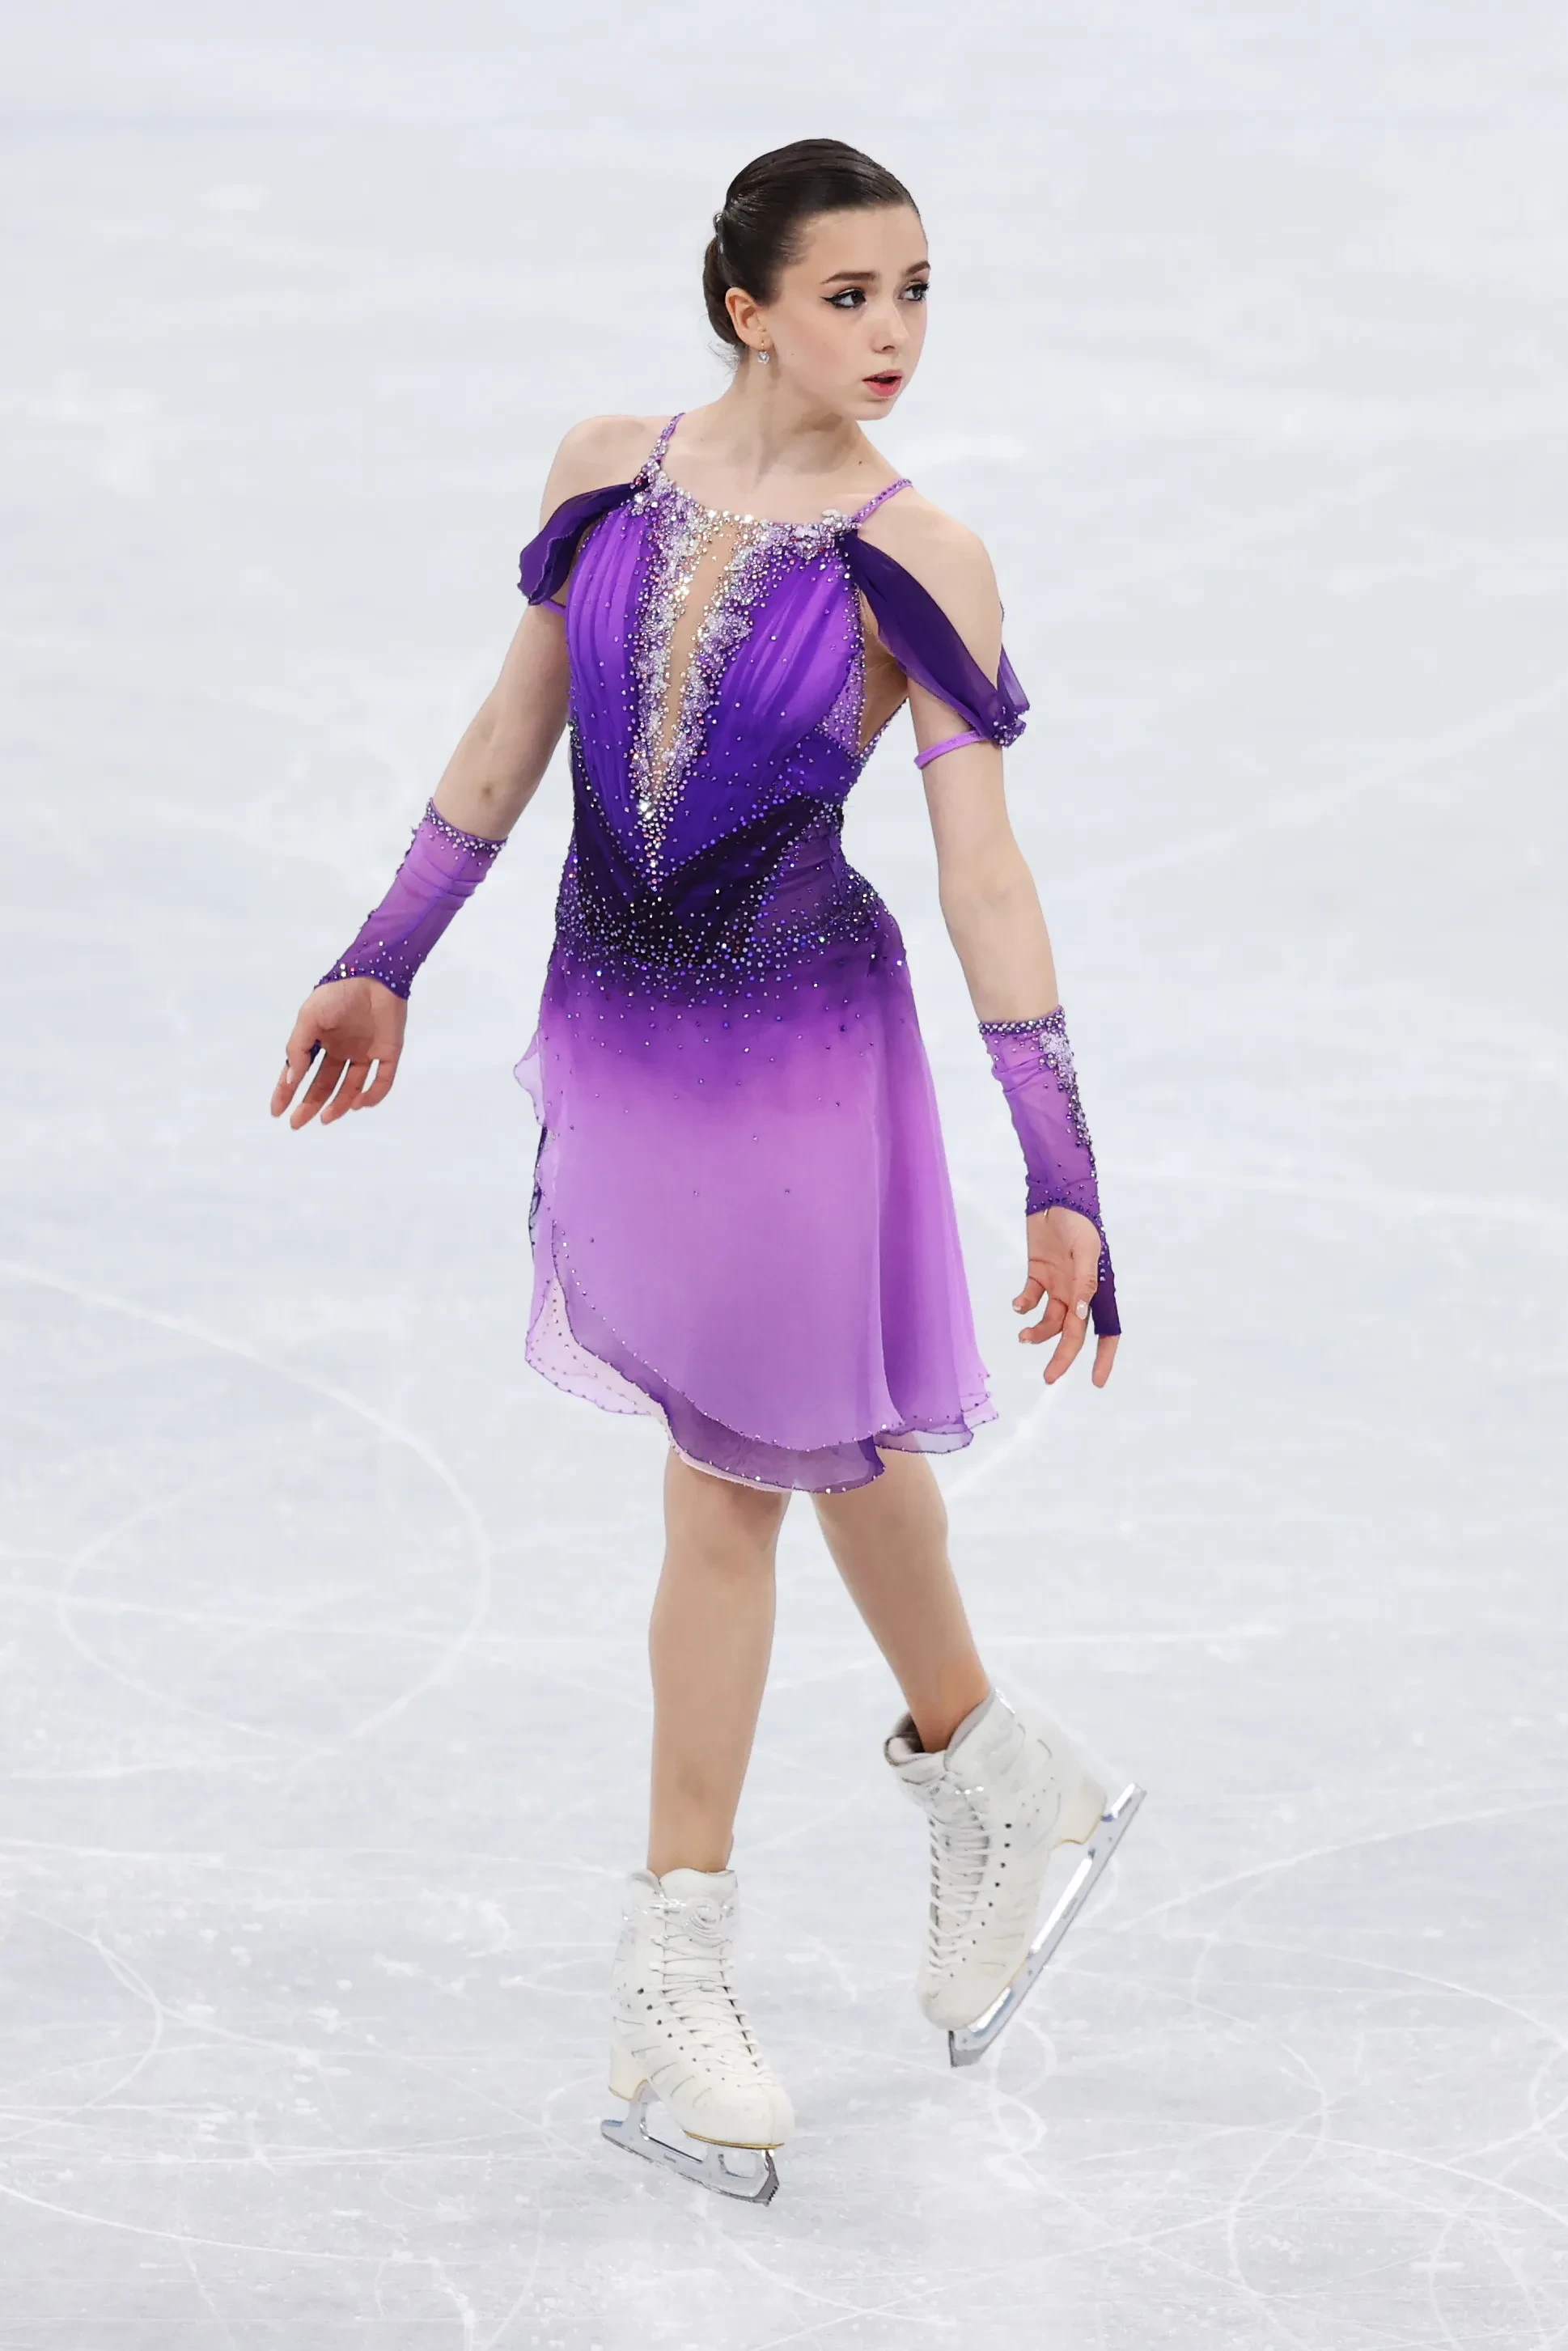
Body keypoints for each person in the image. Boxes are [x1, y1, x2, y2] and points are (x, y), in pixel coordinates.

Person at [271, 138, 1138, 2203]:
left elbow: (984, 870)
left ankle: (674, 1951)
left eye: (916, 291)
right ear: (747, 306)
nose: (896, 333)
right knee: (812, 1425)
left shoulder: (923, 552)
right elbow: (509, 743)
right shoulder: (605, 473)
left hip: (800, 1051)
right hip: (623, 1029)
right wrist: (383, 953)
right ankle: (991, 1763)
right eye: (851, 295)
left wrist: (1059, 1162)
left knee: (728, 1472)